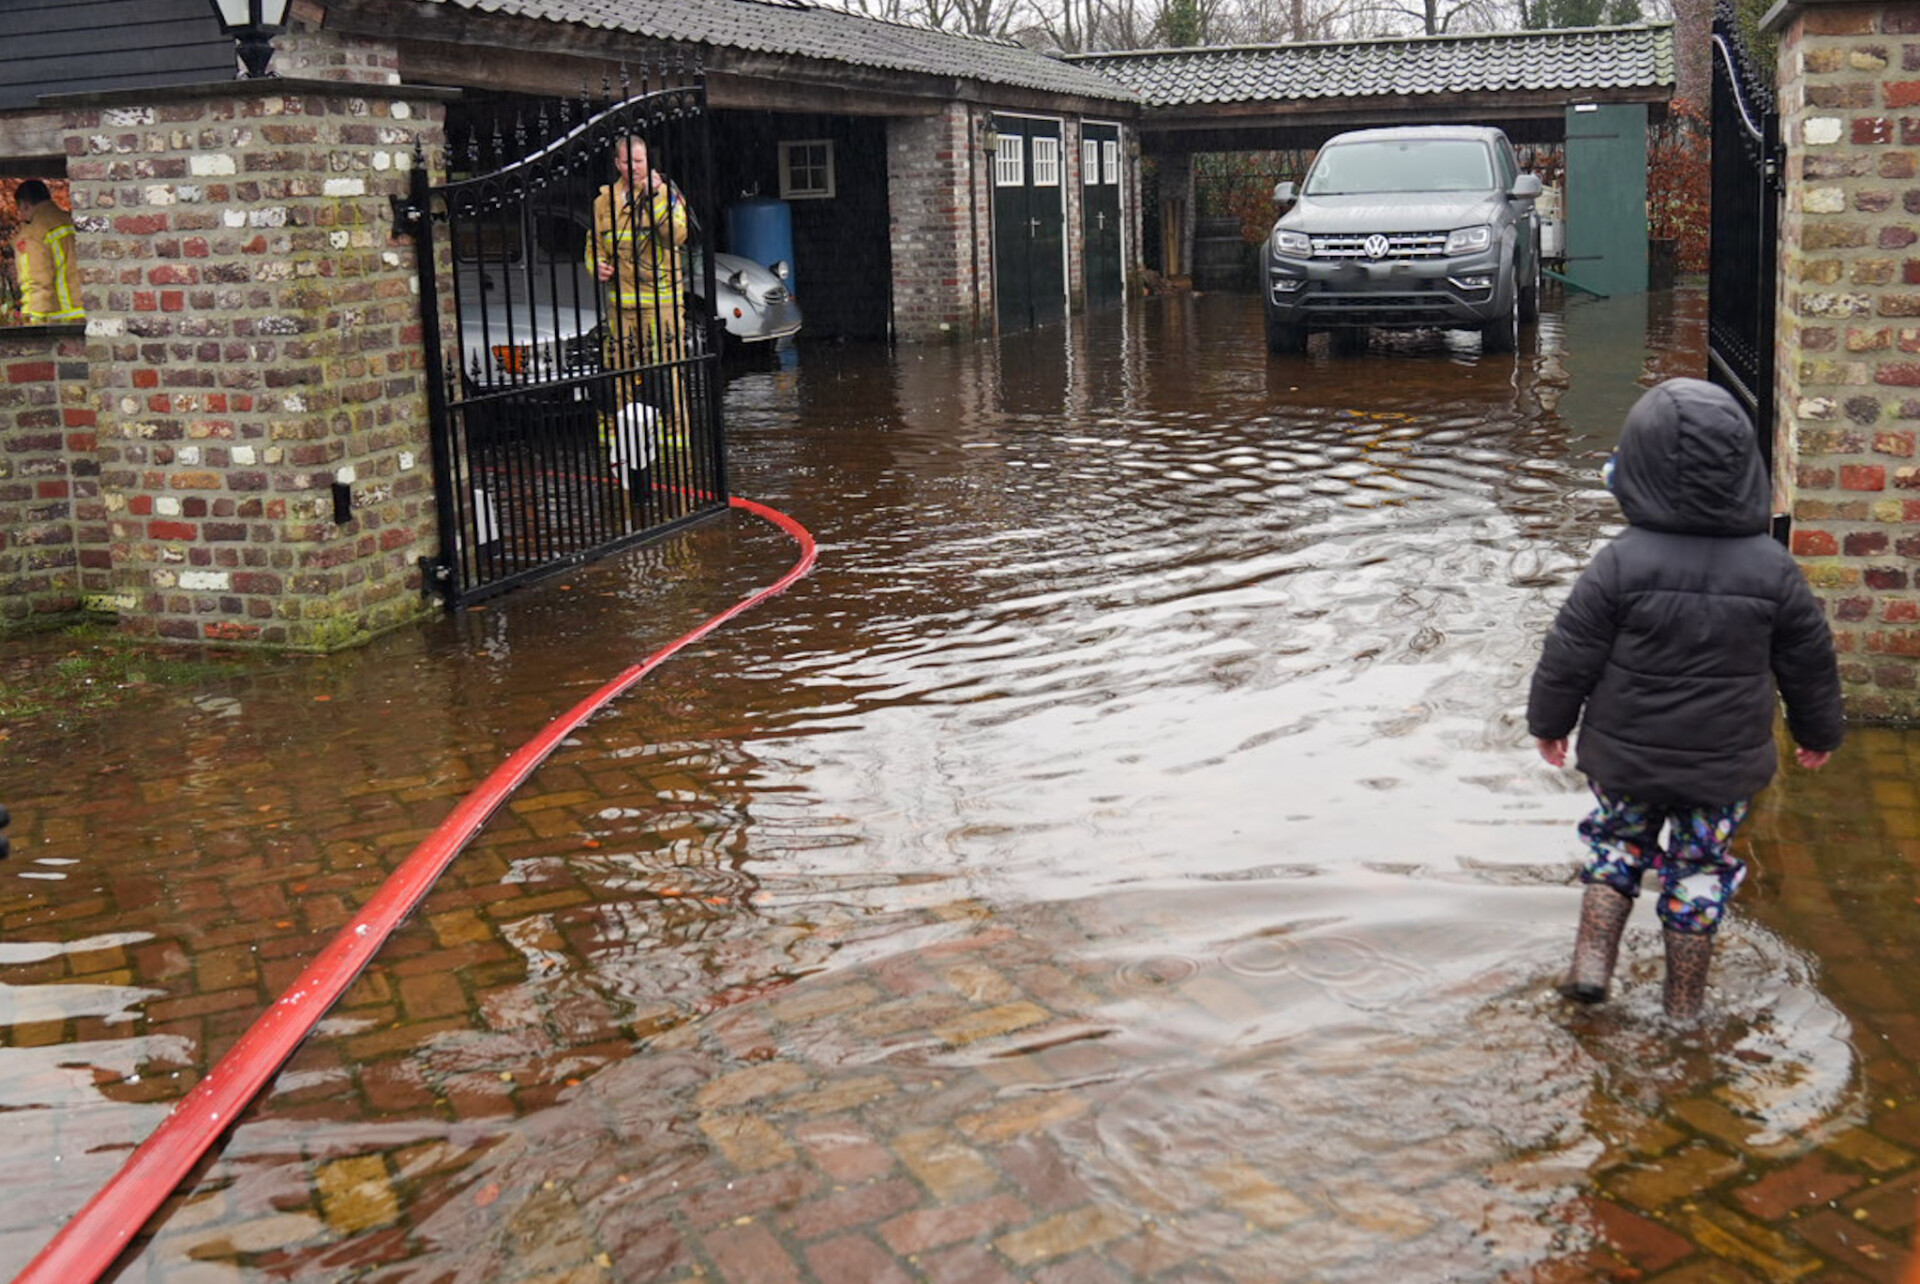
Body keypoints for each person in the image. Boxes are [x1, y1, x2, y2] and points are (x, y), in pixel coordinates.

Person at [1527, 377, 1844, 1022]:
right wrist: (1819, 732)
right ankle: (1684, 1008)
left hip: (1626, 763)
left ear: (1636, 472)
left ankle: (1590, 968)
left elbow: (1569, 653)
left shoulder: (1619, 563)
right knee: (1698, 868)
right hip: (1721, 772)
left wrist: (1549, 724)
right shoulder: (1773, 569)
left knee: (1615, 847)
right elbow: (1808, 660)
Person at [593, 134, 689, 487]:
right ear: (616, 164)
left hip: (661, 300)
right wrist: (597, 266)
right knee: (617, 369)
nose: (633, 168)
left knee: (667, 367)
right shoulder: (603, 201)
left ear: (648, 161)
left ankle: (675, 439)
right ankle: (620, 437)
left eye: (639, 161)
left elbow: (676, 237)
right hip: (621, 303)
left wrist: (654, 198)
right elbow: (594, 245)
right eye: (626, 162)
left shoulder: (668, 193)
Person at [12, 180, 83, 324]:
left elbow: (35, 282)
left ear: (24, 204)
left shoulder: (33, 234)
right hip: (91, 314)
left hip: (63, 321)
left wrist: (32, 321)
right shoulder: (73, 222)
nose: (21, 217)